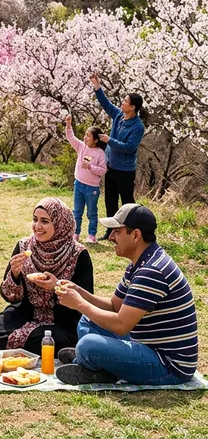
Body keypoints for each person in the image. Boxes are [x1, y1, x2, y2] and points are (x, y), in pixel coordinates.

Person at [55, 204, 198, 386]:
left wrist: (79, 304)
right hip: (146, 345)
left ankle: (91, 362)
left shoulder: (151, 272)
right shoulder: (140, 263)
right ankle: (96, 364)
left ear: (136, 235)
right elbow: (115, 306)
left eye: (117, 232)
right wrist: (79, 292)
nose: (111, 237)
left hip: (168, 366)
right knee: (87, 321)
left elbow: (122, 325)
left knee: (87, 344)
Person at [0, 198, 94, 356]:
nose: (37, 226)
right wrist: (14, 274)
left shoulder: (78, 254)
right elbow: (10, 297)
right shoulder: (24, 246)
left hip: (61, 321)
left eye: (45, 221)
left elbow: (86, 300)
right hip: (23, 314)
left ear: (60, 223)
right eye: (35, 219)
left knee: (48, 343)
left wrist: (57, 286)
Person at [89, 75, 145, 239]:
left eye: (125, 101)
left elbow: (129, 147)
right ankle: (111, 231)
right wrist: (97, 87)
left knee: (127, 202)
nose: (122, 102)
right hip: (111, 165)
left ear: (132, 107)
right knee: (110, 200)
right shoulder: (119, 116)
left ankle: (132, 231)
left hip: (125, 170)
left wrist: (109, 140)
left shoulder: (138, 127)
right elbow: (106, 104)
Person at [65, 115, 107, 243]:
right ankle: (75, 234)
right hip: (79, 184)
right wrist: (68, 124)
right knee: (77, 211)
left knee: (91, 213)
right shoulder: (81, 147)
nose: (85, 137)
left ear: (95, 140)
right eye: (85, 135)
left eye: (88, 136)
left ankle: (91, 235)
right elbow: (71, 137)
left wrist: (90, 167)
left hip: (92, 188)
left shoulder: (100, 153)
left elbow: (103, 170)